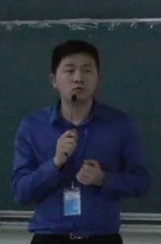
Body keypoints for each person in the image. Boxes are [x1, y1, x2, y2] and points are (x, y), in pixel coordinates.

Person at [11, 39, 151, 243]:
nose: (78, 78)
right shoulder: (32, 126)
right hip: (50, 237)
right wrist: (55, 164)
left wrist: (103, 179)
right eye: (69, 70)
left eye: (87, 70)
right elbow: (20, 192)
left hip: (102, 237)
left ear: (98, 78)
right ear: (54, 80)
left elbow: (141, 183)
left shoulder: (119, 124)